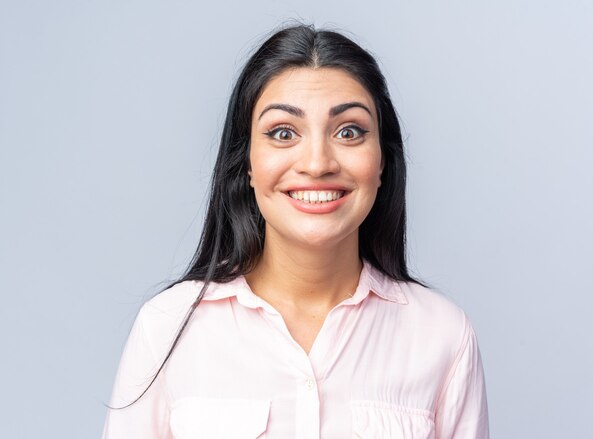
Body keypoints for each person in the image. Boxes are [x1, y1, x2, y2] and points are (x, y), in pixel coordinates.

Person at [102, 24, 489, 438]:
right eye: (283, 133)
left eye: (349, 131)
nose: (318, 162)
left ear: (382, 162)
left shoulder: (443, 336)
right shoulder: (167, 328)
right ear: (247, 162)